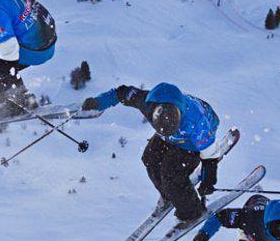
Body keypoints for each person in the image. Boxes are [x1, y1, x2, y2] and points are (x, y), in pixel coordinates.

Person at [83, 83, 222, 223]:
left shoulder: (197, 124)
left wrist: (207, 182)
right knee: (150, 158)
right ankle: (169, 194)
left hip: (190, 142)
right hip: (167, 135)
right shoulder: (147, 103)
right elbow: (121, 93)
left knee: (171, 174)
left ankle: (191, 212)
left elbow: (209, 156)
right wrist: (98, 102)